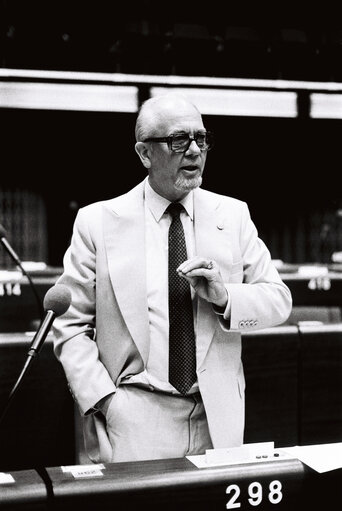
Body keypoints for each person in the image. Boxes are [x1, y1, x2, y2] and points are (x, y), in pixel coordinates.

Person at [52, 93, 292, 464]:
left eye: (202, 138)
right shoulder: (96, 222)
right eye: (179, 140)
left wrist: (225, 297)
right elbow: (69, 325)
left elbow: (278, 301)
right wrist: (103, 400)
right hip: (133, 414)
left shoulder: (234, 214)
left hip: (217, 417)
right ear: (145, 154)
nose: (195, 151)